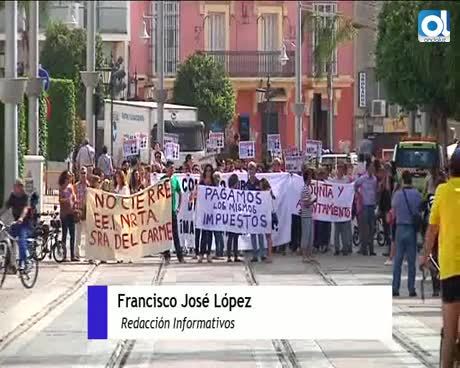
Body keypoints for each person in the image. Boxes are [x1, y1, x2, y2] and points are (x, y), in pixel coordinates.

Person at [421, 149, 460, 368]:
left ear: (450, 170)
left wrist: (424, 256)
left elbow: (432, 229)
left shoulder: (443, 192)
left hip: (451, 270)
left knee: (449, 332)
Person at [391, 170, 422, 297]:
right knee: (411, 261)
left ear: (402, 180)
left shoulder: (397, 195)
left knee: (397, 260)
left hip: (400, 228)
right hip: (411, 229)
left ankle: (395, 287)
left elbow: (393, 207)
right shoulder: (417, 194)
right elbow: (419, 209)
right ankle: (411, 288)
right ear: (411, 180)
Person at [162, 161, 185, 263]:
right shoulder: (162, 180)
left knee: (176, 235)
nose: (172, 170)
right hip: (164, 211)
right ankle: (167, 256)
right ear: (166, 168)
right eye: (171, 168)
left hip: (172, 211)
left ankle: (180, 257)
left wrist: (178, 207)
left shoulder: (175, 180)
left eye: (173, 168)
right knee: (166, 235)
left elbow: (180, 193)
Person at [6, 179, 31, 271]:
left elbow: (25, 209)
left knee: (21, 241)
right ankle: (10, 263)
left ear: (20, 187)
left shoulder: (25, 197)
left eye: (16, 186)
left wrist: (21, 218)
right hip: (16, 222)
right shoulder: (13, 196)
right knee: (8, 239)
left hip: (25, 223)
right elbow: (6, 206)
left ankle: (26, 262)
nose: (14, 188)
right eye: (14, 186)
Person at [354, 160, 378, 256]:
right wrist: (358, 194)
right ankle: (364, 249)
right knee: (364, 228)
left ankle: (371, 249)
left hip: (372, 205)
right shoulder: (363, 178)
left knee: (372, 228)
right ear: (367, 168)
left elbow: (375, 191)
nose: (373, 169)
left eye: (373, 167)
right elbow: (355, 185)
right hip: (364, 206)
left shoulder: (374, 179)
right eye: (371, 167)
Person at [330, 163, 352, 255]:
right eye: (338, 169)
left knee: (344, 230)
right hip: (336, 208)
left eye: (342, 169)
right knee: (337, 230)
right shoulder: (333, 181)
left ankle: (345, 247)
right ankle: (337, 248)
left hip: (344, 208)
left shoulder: (346, 181)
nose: (340, 171)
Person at [246, 162, 266, 262]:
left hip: (259, 212)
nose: (251, 171)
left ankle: (262, 253)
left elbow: (264, 195)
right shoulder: (246, 184)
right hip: (251, 212)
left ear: (255, 170)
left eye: (253, 169)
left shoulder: (259, 183)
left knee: (260, 233)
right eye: (249, 169)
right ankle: (255, 254)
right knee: (253, 234)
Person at [198, 164, 216, 263]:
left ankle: (208, 254)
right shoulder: (202, 183)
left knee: (210, 234)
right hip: (203, 211)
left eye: (210, 170)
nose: (208, 172)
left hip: (211, 211)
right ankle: (201, 254)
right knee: (203, 234)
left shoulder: (213, 183)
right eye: (207, 170)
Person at [58, 171, 77, 262]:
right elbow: (60, 199)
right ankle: (64, 255)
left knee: (72, 234)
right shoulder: (62, 188)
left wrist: (75, 201)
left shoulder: (71, 187)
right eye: (69, 177)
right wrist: (67, 200)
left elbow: (74, 197)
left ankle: (72, 255)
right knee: (64, 234)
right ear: (66, 178)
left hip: (71, 213)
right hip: (64, 214)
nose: (71, 178)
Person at [74, 167, 90, 261]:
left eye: (84, 173)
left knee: (88, 235)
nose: (83, 175)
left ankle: (88, 254)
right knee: (78, 235)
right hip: (79, 211)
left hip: (87, 212)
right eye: (81, 173)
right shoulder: (76, 186)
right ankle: (77, 254)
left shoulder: (89, 186)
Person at [300, 169, 315, 262]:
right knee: (306, 235)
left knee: (310, 236)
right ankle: (304, 255)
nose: (311, 179)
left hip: (309, 215)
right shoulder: (305, 189)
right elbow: (305, 203)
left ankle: (309, 254)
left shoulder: (308, 188)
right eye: (310, 177)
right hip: (306, 215)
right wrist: (313, 200)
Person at [226, 174, 242, 262]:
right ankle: (230, 256)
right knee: (232, 237)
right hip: (231, 217)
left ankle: (234, 255)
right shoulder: (229, 193)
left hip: (236, 217)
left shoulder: (238, 192)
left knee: (235, 237)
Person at [260, 178, 275, 263]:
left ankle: (269, 255)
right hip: (265, 216)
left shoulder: (267, 193)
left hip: (267, 216)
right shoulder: (269, 192)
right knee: (268, 237)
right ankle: (269, 254)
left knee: (268, 236)